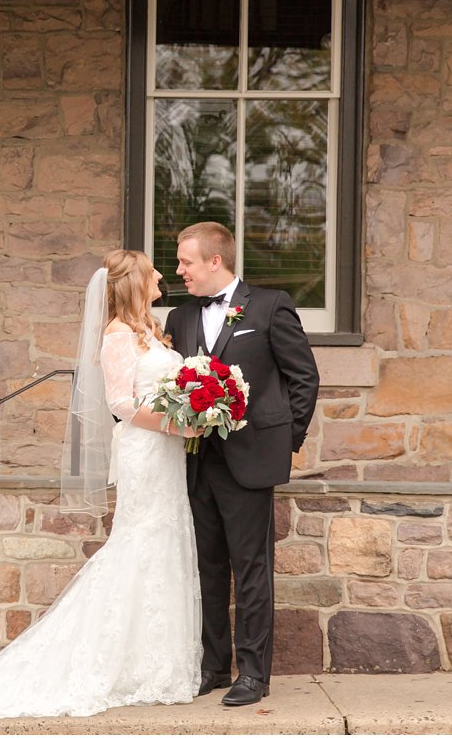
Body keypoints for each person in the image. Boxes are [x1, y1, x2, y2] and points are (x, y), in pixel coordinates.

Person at [0, 249, 203, 719]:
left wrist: (195, 408)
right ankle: (111, 662)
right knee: (139, 542)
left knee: (165, 541)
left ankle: (154, 665)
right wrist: (177, 426)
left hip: (166, 457)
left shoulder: (149, 330)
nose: (161, 275)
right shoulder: (117, 335)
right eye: (152, 271)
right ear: (132, 283)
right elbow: (121, 404)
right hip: (146, 453)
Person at [165, 222, 318, 708]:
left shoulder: (270, 306)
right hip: (194, 461)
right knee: (207, 566)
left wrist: (284, 441)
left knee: (251, 567)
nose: (179, 270)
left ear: (215, 261)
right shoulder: (181, 317)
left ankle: (254, 672)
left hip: (251, 459)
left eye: (186, 262)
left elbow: (303, 379)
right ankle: (215, 665)